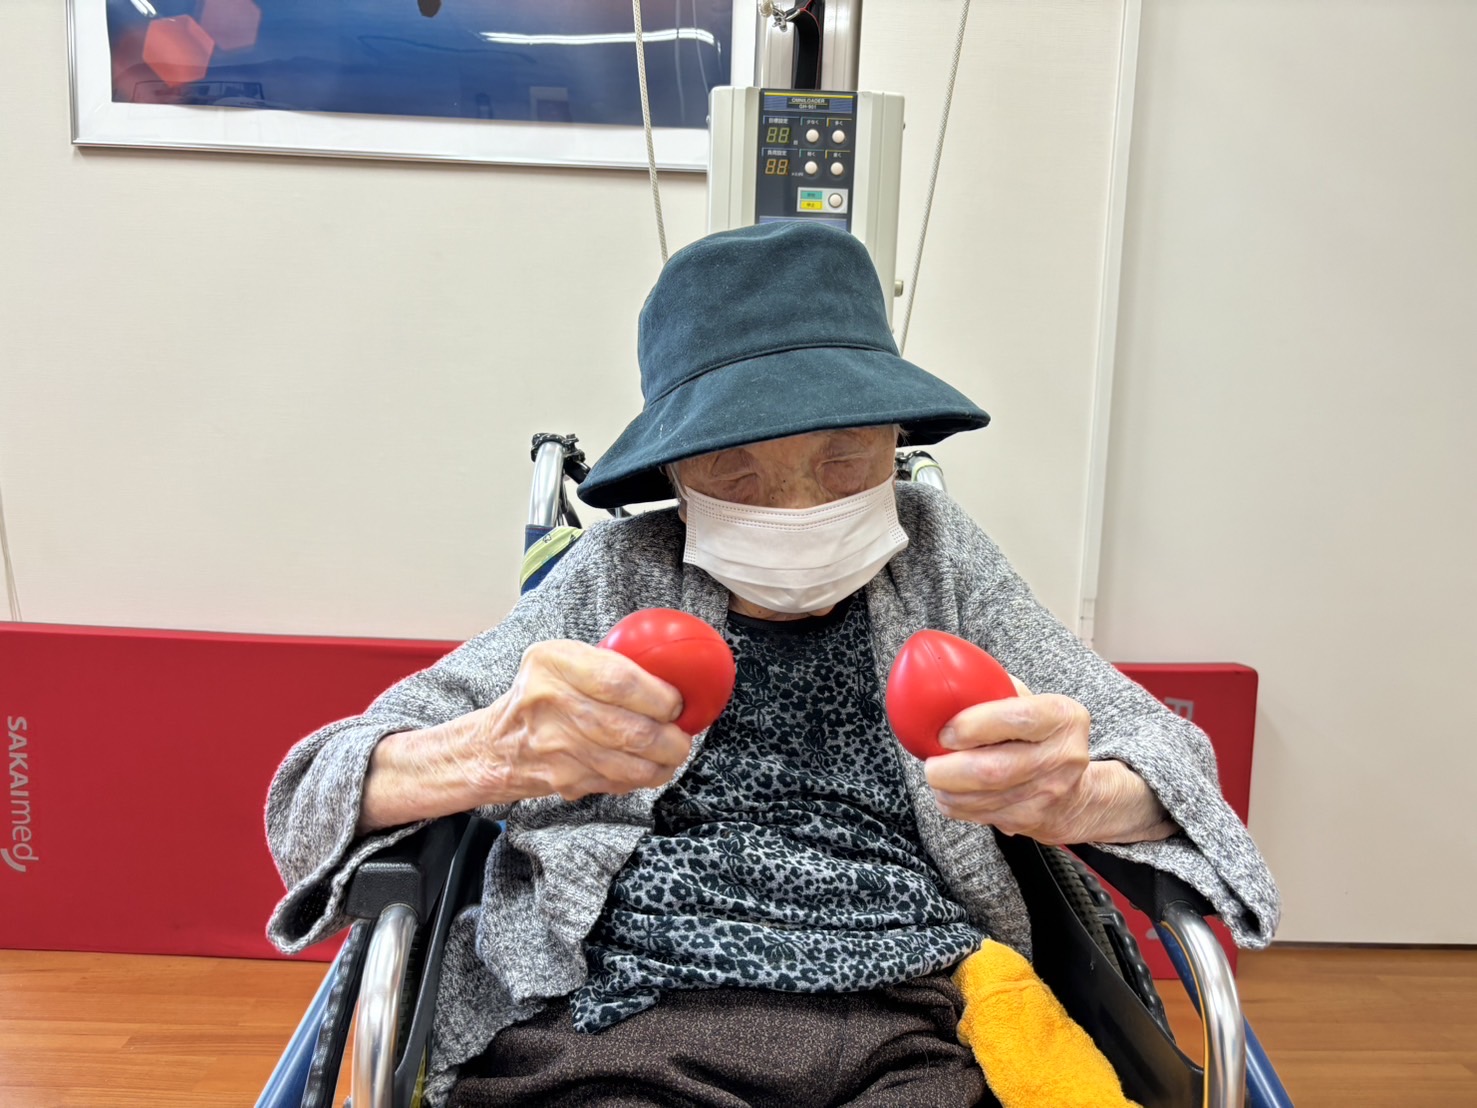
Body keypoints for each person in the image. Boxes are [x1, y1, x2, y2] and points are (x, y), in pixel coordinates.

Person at [266, 222, 1279, 1107]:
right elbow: (312, 791)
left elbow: (1170, 760)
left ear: (896, 437)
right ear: (673, 474)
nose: (797, 505)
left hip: (905, 1008)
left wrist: (1079, 794)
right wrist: (492, 754)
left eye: (843, 456)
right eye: (735, 469)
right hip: (621, 1008)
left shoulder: (939, 555)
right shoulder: (617, 569)